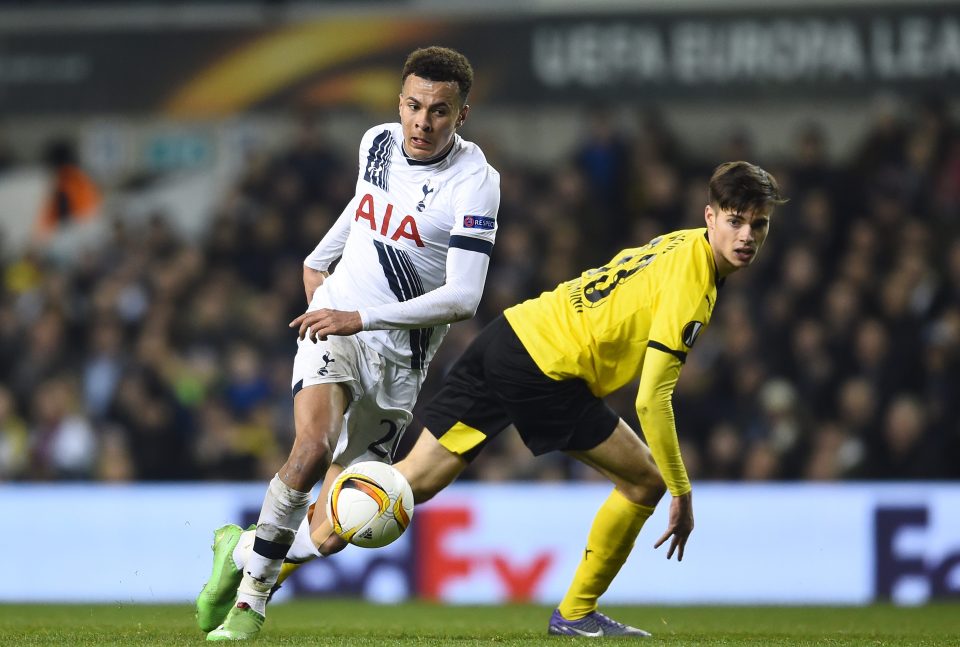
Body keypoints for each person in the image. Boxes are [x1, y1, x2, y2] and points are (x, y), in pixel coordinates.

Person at [231, 160, 786, 638]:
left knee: (401, 487)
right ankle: (576, 614)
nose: (745, 237)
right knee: (645, 481)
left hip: (510, 336)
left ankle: (256, 560)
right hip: (549, 370)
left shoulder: (683, 244)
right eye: (734, 221)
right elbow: (651, 401)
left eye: (757, 226)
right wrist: (683, 492)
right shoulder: (694, 283)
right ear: (710, 215)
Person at [198, 45, 500, 641]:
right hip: (337, 328)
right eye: (413, 106)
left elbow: (465, 299)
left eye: (439, 111)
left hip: (396, 363)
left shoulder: (476, 184)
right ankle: (250, 606)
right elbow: (365, 209)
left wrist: (359, 317)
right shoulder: (378, 142)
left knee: (342, 528)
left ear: (462, 115)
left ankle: (240, 555)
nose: (422, 122)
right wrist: (320, 263)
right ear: (399, 102)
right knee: (311, 447)